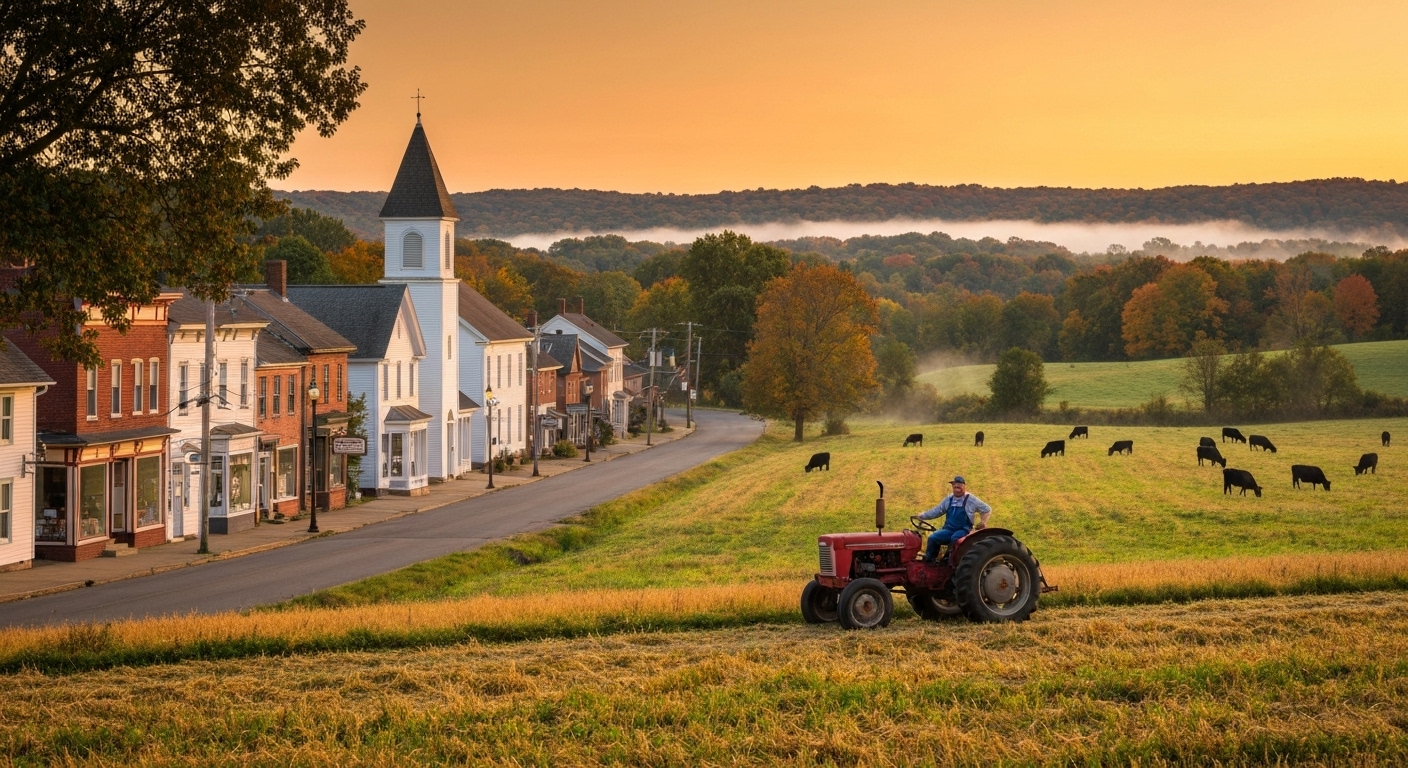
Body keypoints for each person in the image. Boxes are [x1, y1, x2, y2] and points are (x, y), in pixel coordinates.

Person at [918, 475, 991, 562]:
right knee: (933, 538)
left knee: (955, 538)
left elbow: (987, 509)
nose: (956, 487)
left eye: (959, 485)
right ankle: (930, 561)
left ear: (964, 486)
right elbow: (937, 511)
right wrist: (923, 516)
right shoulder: (949, 499)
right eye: (955, 485)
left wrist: (983, 522)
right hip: (949, 529)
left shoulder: (971, 499)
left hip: (964, 530)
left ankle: (949, 561)